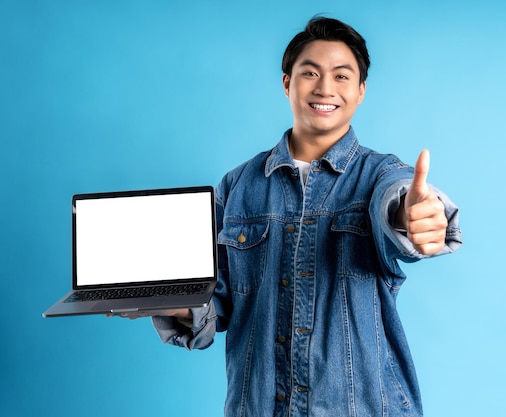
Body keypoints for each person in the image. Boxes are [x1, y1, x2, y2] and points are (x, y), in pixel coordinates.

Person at [118, 16, 462, 417]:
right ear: (287, 83)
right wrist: (167, 300)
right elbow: (216, 306)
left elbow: (399, 202)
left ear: (361, 91)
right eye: (310, 73)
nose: (325, 88)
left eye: (341, 76)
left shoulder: (381, 175)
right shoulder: (237, 185)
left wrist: (417, 216)